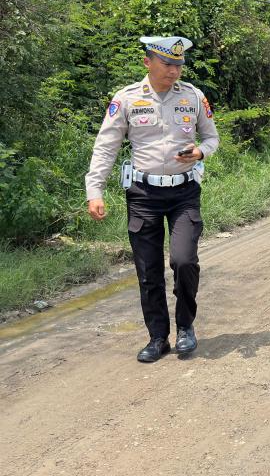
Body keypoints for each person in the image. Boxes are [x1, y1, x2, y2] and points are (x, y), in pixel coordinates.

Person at [85, 36, 220, 363]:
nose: (174, 71)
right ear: (148, 62)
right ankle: (158, 337)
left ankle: (185, 326)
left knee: (183, 260)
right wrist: (95, 189)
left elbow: (212, 137)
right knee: (148, 271)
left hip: (184, 192)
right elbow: (107, 146)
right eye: (168, 64)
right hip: (143, 194)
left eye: (179, 64)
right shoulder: (127, 99)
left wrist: (202, 151)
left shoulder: (193, 96)